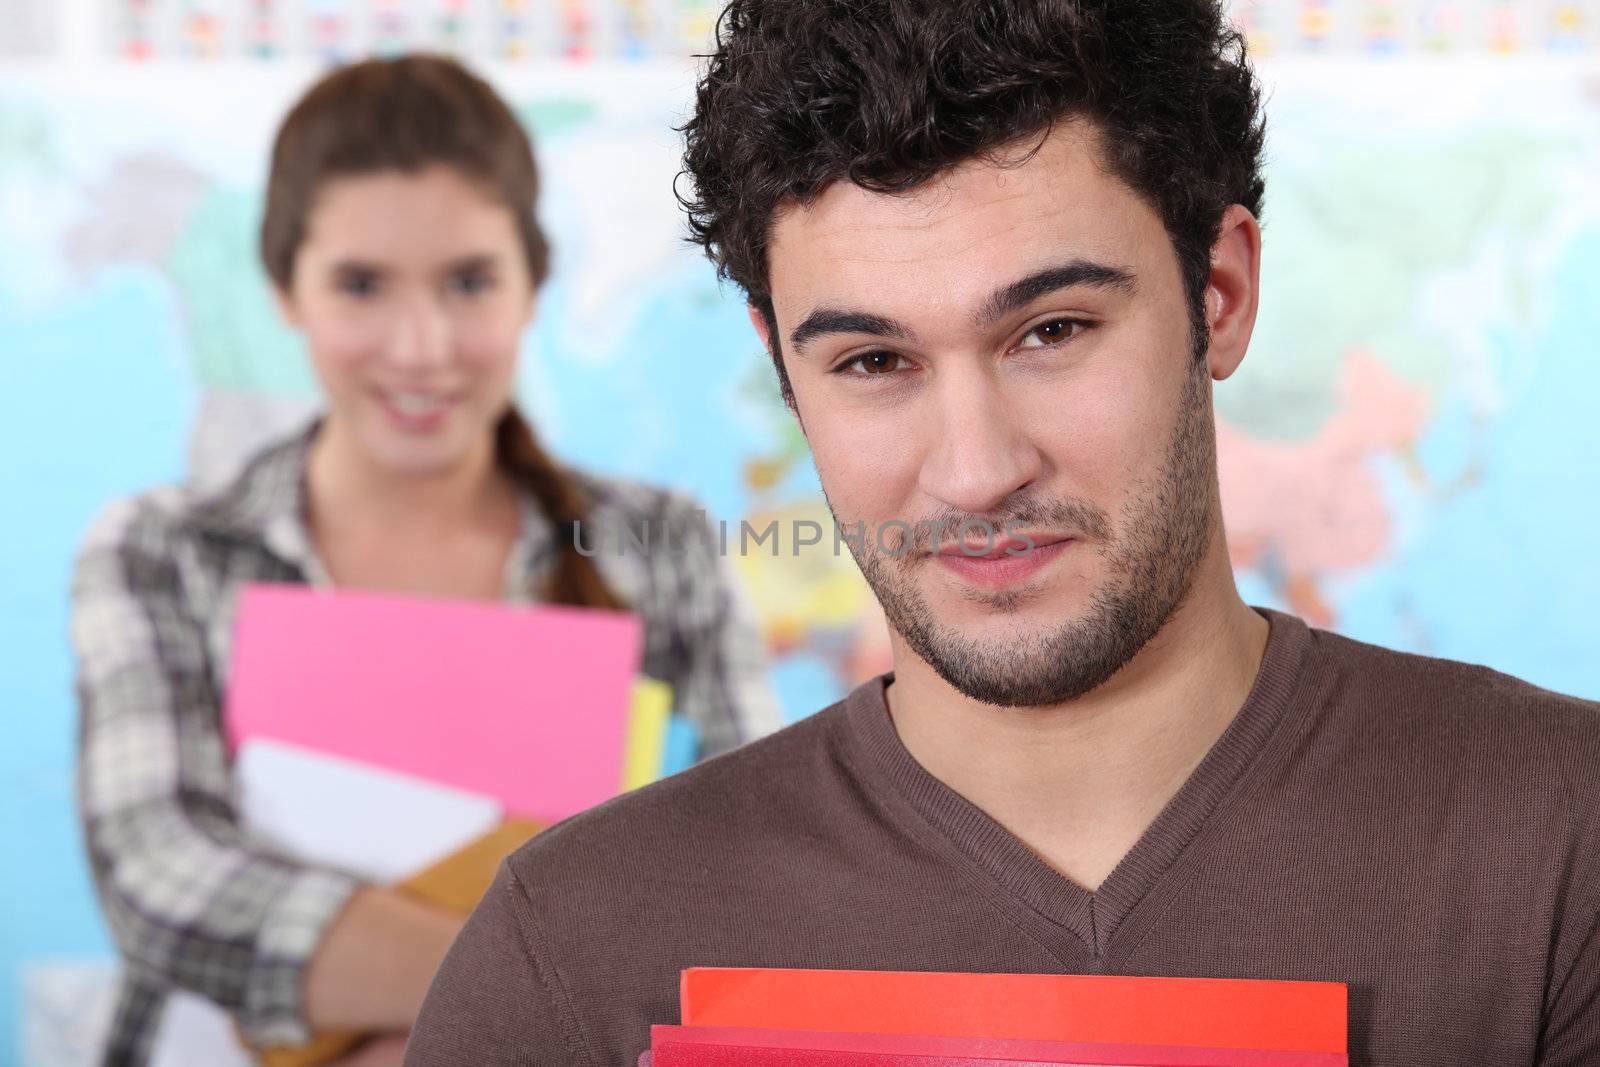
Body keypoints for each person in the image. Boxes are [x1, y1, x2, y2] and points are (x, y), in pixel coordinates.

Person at [403, 2, 1600, 1065]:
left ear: (1218, 294)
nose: (974, 471)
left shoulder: (1565, 842)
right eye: (873, 361)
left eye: (1052, 331)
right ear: (781, 366)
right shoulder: (574, 950)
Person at [70, 54, 781, 1067]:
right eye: (360, 284)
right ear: (284, 289)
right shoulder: (166, 550)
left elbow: (743, 876)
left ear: (532, 283)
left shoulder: (658, 546)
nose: (421, 345)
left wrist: (415, 990)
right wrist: (538, 996)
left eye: (468, 281)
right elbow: (163, 879)